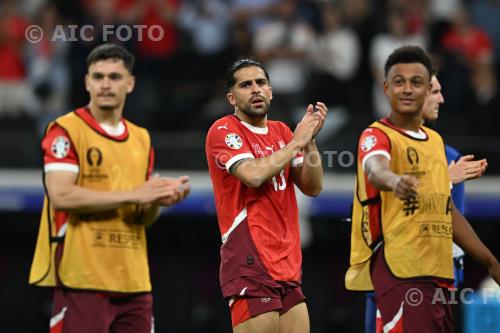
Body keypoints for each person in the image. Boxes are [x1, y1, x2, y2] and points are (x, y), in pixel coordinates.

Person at [29, 43, 190, 333]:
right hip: (82, 278)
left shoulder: (141, 138)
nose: (105, 84)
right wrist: (138, 193)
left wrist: (157, 200)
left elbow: (142, 216)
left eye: (114, 77)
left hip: (134, 281)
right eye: (98, 76)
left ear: (130, 83)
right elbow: (61, 195)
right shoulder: (65, 130)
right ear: (87, 82)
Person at [346, 45, 500, 333]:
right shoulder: (375, 135)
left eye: (416, 82)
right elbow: (376, 168)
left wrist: (491, 262)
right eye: (399, 82)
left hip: (438, 275)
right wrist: (395, 181)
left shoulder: (435, 143)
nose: (407, 89)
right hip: (401, 273)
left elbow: (446, 210)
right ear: (385, 88)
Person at [205, 58, 327, 333]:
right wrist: (297, 141)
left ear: (271, 90)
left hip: (287, 264)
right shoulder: (224, 131)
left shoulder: (282, 131)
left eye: (261, 83)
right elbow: (253, 175)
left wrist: (310, 142)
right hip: (250, 262)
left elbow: (313, 187)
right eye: (246, 85)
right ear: (231, 97)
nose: (256, 89)